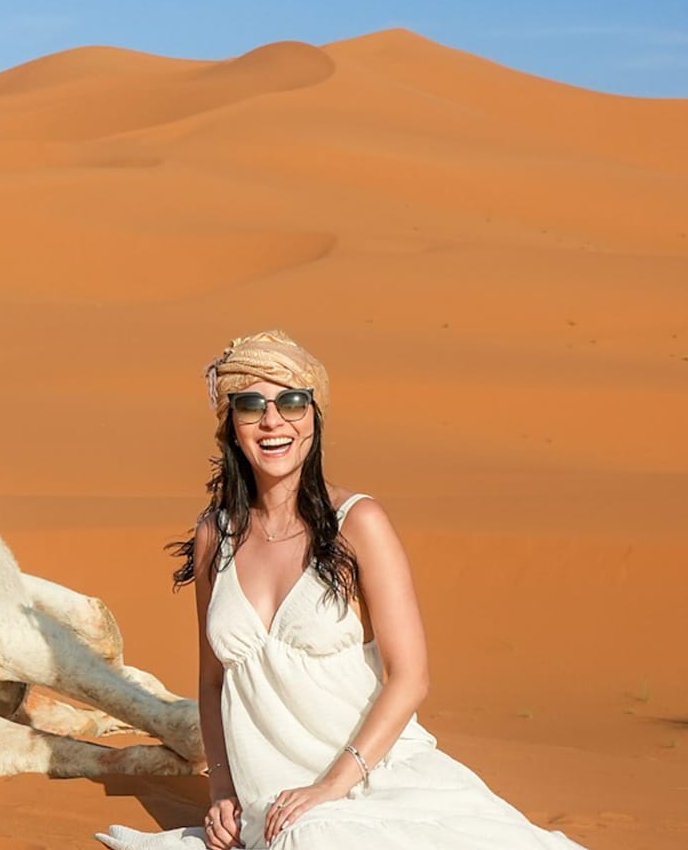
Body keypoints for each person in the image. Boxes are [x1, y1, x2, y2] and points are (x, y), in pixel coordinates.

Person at [97, 330, 584, 849]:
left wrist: (332, 786)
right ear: (231, 424)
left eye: (291, 402)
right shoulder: (214, 535)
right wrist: (221, 790)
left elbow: (410, 677)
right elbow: (213, 680)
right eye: (251, 406)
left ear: (314, 415)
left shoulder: (359, 522)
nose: (272, 421)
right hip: (276, 803)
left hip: (377, 778)